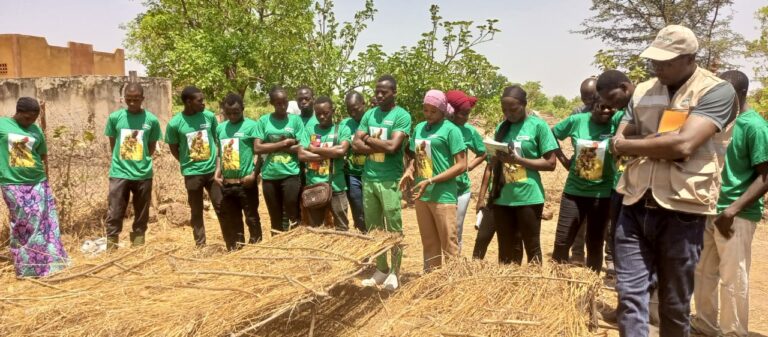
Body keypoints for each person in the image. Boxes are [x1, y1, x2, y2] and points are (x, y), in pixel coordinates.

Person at [611, 25, 737, 336]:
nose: (658, 67)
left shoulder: (716, 91)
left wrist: (640, 144)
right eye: (655, 60)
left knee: (675, 304)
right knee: (629, 296)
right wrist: (658, 142)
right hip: (635, 202)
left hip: (683, 208)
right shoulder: (642, 91)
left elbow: (684, 145)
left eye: (666, 61)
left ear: (690, 58)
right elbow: (619, 140)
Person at [692, 70, 768, 337]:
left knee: (733, 278)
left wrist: (732, 210)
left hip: (737, 214)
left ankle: (733, 332)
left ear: (742, 94)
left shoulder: (754, 126)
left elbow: (765, 176)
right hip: (709, 208)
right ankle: (704, 323)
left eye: (727, 96)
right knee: (703, 272)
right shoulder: (718, 122)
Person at [475, 85, 558, 265]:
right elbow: (493, 163)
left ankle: (533, 288)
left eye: (513, 109)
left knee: (532, 246)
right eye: (504, 110)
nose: (509, 114)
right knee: (506, 249)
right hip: (503, 198)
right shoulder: (502, 128)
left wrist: (519, 160)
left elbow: (551, 163)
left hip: (528, 196)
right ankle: (510, 289)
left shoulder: (538, 126)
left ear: (524, 104)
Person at [353, 74, 412, 290]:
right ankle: (381, 269)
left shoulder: (402, 116)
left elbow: (393, 147)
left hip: (390, 179)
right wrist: (376, 143)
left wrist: (368, 139)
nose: (378, 95)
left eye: (383, 92)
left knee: (394, 227)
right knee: (374, 227)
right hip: (369, 178)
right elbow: (355, 144)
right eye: (376, 91)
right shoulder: (369, 114)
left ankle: (395, 272)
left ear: (394, 93)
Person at [1, 98, 69, 277]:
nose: (30, 122)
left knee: (45, 223)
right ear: (18, 112)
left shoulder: (35, 129)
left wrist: (45, 179)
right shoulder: (2, 125)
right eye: (27, 118)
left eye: (34, 118)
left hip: (38, 182)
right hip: (13, 183)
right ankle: (27, 267)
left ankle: (49, 264)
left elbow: (42, 154)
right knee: (24, 222)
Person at [401, 90, 467, 271]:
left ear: (443, 110)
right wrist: (410, 169)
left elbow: (461, 165)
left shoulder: (451, 130)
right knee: (429, 243)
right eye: (426, 110)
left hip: (443, 195)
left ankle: (453, 287)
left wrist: (431, 180)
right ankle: (432, 284)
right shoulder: (420, 128)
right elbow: (418, 155)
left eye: (433, 111)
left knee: (449, 245)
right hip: (422, 194)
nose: (429, 115)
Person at [551, 95, 616, 273]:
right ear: (591, 106)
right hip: (574, 192)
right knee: (562, 241)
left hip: (602, 194)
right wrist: (564, 160)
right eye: (601, 107)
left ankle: (590, 284)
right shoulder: (577, 121)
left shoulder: (616, 122)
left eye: (610, 107)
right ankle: (556, 283)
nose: (606, 111)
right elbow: (550, 134)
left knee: (595, 243)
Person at [104, 83, 162, 249]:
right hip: (119, 172)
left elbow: (151, 146)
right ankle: (112, 246)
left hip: (143, 174)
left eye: (136, 98)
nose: (132, 102)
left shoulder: (151, 120)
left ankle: (137, 246)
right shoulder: (115, 118)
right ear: (124, 99)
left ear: (142, 99)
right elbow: (113, 143)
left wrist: (141, 160)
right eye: (129, 99)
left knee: (141, 212)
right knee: (115, 210)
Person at [165, 86, 224, 247]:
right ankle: (200, 244)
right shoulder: (175, 124)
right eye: (200, 101)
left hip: (212, 171)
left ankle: (230, 240)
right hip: (192, 174)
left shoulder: (209, 117)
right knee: (196, 211)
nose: (203, 103)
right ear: (188, 102)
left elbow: (217, 139)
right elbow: (173, 147)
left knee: (221, 206)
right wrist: (186, 162)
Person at [596, 69, 635, 274]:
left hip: (643, 187)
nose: (610, 105)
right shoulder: (623, 113)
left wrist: (625, 144)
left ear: (624, 87)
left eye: (611, 98)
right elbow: (616, 143)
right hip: (620, 185)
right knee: (619, 234)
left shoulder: (645, 105)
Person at [213, 93, 262, 250]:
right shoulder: (220, 128)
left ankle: (256, 248)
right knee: (233, 219)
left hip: (246, 183)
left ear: (243, 109)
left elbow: (261, 153)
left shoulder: (252, 126)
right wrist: (217, 173)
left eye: (236, 112)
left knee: (251, 218)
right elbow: (220, 153)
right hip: (227, 184)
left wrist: (254, 174)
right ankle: (238, 249)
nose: (233, 116)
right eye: (229, 113)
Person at [254, 86, 306, 233]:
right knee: (274, 217)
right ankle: (276, 249)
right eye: (278, 103)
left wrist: (271, 146)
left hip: (290, 174)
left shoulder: (295, 120)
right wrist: (283, 143)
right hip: (270, 175)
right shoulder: (264, 121)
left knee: (292, 214)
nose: (282, 106)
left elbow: (301, 147)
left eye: (285, 102)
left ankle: (293, 246)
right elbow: (257, 148)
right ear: (272, 103)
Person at [298, 96, 352, 230]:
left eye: (326, 113)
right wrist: (329, 153)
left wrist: (314, 149)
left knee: (342, 227)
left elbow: (341, 150)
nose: (322, 116)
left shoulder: (342, 129)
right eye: (318, 114)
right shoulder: (310, 130)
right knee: (316, 229)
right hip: (314, 186)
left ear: (333, 111)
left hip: (337, 186)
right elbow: (301, 154)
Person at [445, 90, 486, 253]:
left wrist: (469, 166)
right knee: (441, 231)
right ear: (451, 111)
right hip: (441, 188)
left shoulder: (468, 131)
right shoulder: (441, 128)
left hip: (461, 189)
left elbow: (482, 152)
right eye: (463, 114)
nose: (466, 118)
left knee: (456, 231)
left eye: (468, 114)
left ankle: (453, 268)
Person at [570, 76, 598, 264]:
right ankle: (578, 253)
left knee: (603, 219)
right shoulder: (578, 113)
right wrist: (567, 161)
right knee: (579, 215)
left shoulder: (611, 112)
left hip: (606, 171)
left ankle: (606, 257)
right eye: (584, 97)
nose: (587, 102)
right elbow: (554, 134)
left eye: (590, 97)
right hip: (584, 163)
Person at [341, 91, 367, 232]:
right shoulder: (345, 124)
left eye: (355, 109)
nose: (352, 113)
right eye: (349, 110)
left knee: (373, 212)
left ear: (363, 104)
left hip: (371, 173)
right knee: (359, 213)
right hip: (352, 175)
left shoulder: (372, 121)